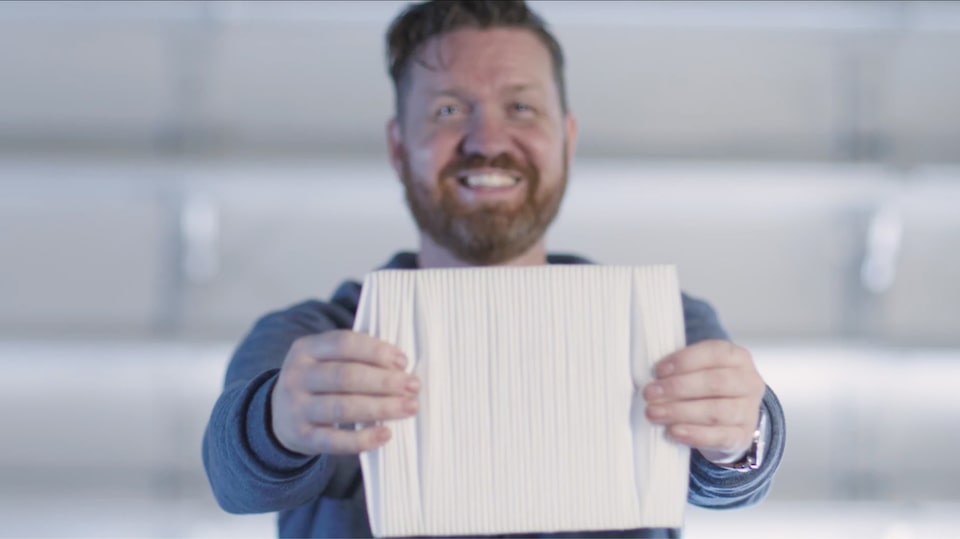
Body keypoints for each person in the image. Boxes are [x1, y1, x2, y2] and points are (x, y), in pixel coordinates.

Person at [202, 1, 786, 537]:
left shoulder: (661, 323)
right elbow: (236, 476)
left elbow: (729, 483)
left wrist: (742, 434)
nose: (486, 140)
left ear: (567, 139)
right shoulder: (310, 339)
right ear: (399, 147)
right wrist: (276, 419)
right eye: (449, 109)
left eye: (522, 107)